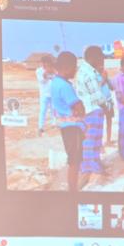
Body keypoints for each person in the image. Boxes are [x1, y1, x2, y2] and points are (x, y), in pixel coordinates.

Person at [47, 51, 86, 192]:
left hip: (65, 126)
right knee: (74, 161)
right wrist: (81, 107)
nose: (76, 70)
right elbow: (79, 107)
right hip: (73, 127)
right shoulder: (65, 86)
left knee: (73, 158)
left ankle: (73, 187)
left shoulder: (55, 82)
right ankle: (73, 190)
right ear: (67, 67)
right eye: (75, 67)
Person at [74, 47, 111, 184]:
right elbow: (98, 96)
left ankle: (92, 165)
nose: (102, 61)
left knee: (91, 141)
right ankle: (91, 169)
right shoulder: (89, 73)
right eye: (100, 58)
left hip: (88, 110)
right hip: (92, 110)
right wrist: (106, 105)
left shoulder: (83, 71)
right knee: (92, 141)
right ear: (93, 58)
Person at [35, 53, 56, 130]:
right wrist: (46, 73)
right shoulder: (39, 71)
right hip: (44, 94)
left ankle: (54, 123)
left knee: (53, 110)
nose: (45, 64)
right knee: (43, 110)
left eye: (47, 62)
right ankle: (41, 126)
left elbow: (56, 79)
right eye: (44, 62)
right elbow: (41, 80)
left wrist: (53, 72)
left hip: (53, 93)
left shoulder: (53, 70)